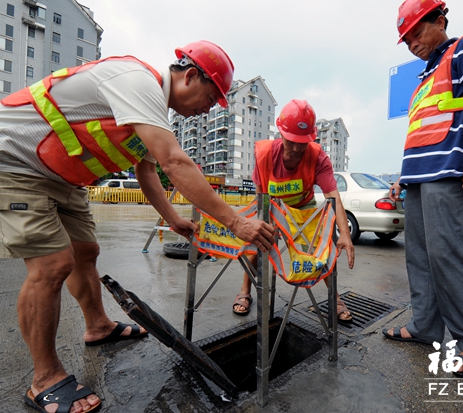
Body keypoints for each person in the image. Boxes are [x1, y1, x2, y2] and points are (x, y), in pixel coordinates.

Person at [0, 40, 275, 413]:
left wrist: (175, 220)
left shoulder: (149, 108)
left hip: (62, 178)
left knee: (86, 253)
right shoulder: (136, 80)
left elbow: (149, 171)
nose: (206, 111)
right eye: (210, 100)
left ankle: (98, 326)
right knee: (52, 266)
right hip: (15, 161)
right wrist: (236, 221)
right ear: (191, 76)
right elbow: (175, 162)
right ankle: (44, 379)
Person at [382, 0, 463, 379]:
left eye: (416, 32)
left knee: (448, 257)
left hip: (451, 173)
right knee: (419, 258)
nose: (412, 44)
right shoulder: (424, 77)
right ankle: (425, 327)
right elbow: (424, 131)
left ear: (440, 19)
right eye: (406, 40)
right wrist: (405, 175)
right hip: (420, 179)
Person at [232, 99, 355, 322]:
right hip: (271, 206)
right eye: (292, 141)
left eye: (304, 142)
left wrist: (344, 234)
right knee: (256, 242)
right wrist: (264, 223)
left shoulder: (318, 157)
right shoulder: (265, 154)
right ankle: (245, 291)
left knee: (321, 246)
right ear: (281, 133)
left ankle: (335, 298)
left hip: (303, 207)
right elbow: (261, 198)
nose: (298, 148)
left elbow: (333, 196)